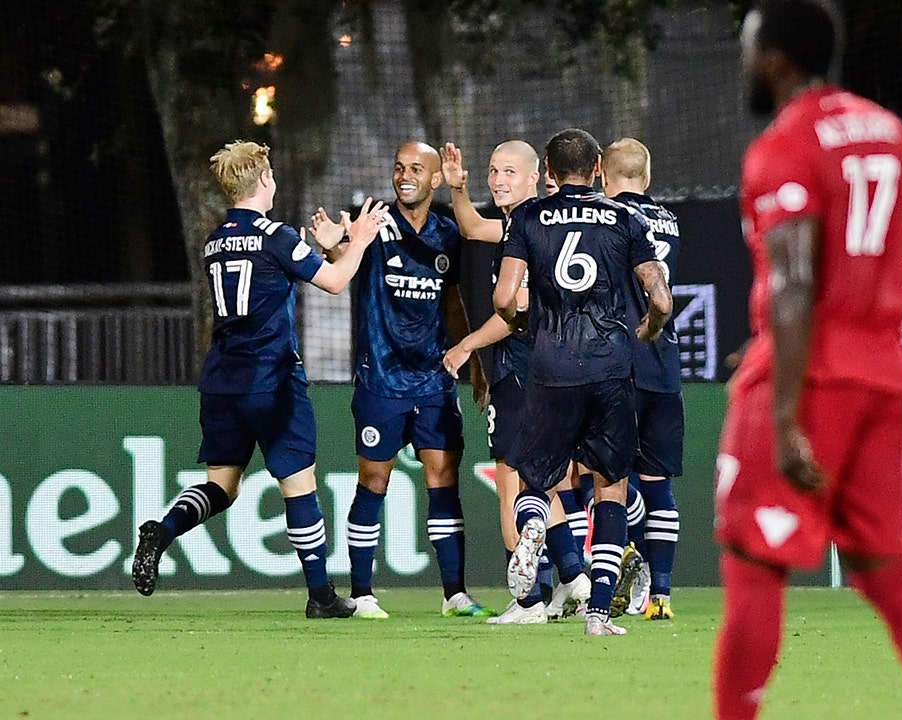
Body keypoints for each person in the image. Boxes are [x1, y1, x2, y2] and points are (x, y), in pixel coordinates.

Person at [714, 2, 902, 719]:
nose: (744, 61)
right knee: (886, 568)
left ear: (776, 58)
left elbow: (795, 282)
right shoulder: (889, 131)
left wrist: (784, 413)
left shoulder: (783, 145)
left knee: (754, 562)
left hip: (814, 375)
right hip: (883, 370)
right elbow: (856, 260)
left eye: (749, 46)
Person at [131, 140, 389, 618]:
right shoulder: (276, 235)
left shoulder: (214, 241)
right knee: (299, 484)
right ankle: (321, 596)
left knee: (221, 486)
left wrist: (328, 248)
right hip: (272, 380)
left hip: (222, 380)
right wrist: (359, 240)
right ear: (264, 179)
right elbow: (335, 282)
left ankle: (163, 530)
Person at [494, 128, 672, 636]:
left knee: (537, 480)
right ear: (597, 169)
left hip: (550, 364)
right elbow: (660, 299)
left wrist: (525, 324)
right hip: (610, 366)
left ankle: (533, 524)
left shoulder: (528, 217)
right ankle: (597, 615)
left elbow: (504, 297)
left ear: (548, 171)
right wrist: (649, 329)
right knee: (610, 487)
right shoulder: (625, 218)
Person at [310, 141, 491, 620]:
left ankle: (455, 594)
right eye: (398, 168)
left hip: (434, 380)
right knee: (374, 479)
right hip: (381, 379)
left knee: (443, 479)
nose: (405, 176)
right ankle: (363, 594)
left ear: (435, 179)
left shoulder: (448, 234)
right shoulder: (376, 222)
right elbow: (343, 261)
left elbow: (453, 301)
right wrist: (331, 244)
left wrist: (472, 359)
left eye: (415, 169)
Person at [439, 139, 592, 624]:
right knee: (542, 483)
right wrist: (458, 189)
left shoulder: (529, 228)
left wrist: (467, 344)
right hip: (554, 367)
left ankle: (528, 601)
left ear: (535, 178)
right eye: (493, 170)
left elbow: (518, 309)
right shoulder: (529, 223)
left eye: (509, 171)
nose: (498, 180)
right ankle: (573, 577)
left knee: (511, 485)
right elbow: (471, 227)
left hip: (525, 370)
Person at [601, 137, 684, 621]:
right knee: (658, 482)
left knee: (604, 476)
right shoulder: (670, 220)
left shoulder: (608, 218)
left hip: (618, 359)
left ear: (602, 175)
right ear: (647, 177)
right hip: (664, 365)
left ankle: (629, 569)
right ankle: (661, 594)